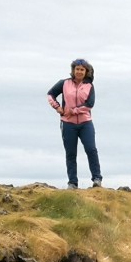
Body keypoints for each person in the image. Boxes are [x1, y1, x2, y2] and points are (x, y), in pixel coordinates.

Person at [45, 59, 101, 188]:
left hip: (85, 123)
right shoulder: (64, 83)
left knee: (91, 149)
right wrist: (57, 107)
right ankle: (72, 182)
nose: (79, 71)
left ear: (86, 71)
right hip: (68, 124)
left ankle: (97, 178)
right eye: (77, 69)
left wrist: (73, 111)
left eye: (82, 69)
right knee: (71, 153)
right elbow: (50, 94)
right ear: (73, 70)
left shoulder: (89, 86)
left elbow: (89, 105)